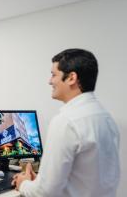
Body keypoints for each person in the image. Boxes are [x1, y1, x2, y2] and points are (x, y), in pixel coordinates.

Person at [12, 49, 120, 197]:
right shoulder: (106, 118)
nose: (49, 81)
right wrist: (40, 181)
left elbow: (45, 193)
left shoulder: (66, 121)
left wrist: (23, 183)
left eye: (53, 74)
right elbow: (88, 179)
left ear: (71, 78)